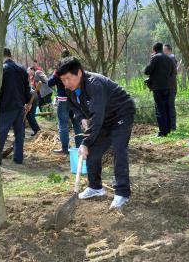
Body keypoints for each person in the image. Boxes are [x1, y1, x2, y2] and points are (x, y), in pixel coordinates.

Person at [57, 56, 136, 210]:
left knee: (119, 150)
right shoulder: (70, 90)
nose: (66, 83)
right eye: (63, 80)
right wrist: (82, 119)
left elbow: (97, 117)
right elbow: (74, 108)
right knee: (92, 152)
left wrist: (85, 142)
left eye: (68, 78)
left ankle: (122, 192)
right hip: (104, 118)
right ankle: (95, 187)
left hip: (121, 113)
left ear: (79, 73)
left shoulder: (95, 84)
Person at [0, 48, 32, 165]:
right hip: (19, 106)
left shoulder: (1, 69)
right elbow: (27, 87)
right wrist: (28, 101)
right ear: (10, 55)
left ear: (1, 56)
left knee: (1, 133)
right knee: (19, 133)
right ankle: (18, 158)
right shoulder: (22, 69)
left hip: (6, 106)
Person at [48, 50, 83, 154]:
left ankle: (65, 148)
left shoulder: (59, 69)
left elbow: (50, 82)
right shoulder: (75, 68)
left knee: (63, 124)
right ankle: (79, 147)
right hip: (75, 98)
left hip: (63, 99)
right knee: (77, 123)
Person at [144, 43, 176, 137]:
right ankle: (169, 129)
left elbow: (147, 71)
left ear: (154, 49)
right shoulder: (169, 58)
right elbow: (174, 72)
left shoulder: (155, 58)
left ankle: (162, 132)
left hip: (158, 87)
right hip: (169, 87)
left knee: (159, 110)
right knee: (166, 108)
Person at [163, 44, 178, 131]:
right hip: (168, 87)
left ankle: (172, 126)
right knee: (168, 106)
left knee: (170, 106)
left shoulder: (171, 59)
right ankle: (170, 126)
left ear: (169, 51)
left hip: (171, 87)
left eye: (164, 50)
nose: (163, 52)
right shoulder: (169, 59)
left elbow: (172, 73)